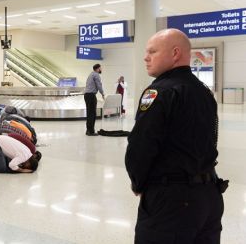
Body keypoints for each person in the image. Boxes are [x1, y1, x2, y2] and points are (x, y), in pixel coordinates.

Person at [125, 29, 227, 244]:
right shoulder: (204, 91)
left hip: (171, 201)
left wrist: (138, 183)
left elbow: (141, 145)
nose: (145, 57)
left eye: (152, 51)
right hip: (209, 196)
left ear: (175, 53)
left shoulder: (160, 92)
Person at [83, 64, 105, 136]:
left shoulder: (91, 74)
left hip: (87, 95)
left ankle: (88, 130)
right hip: (91, 95)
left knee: (89, 113)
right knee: (92, 113)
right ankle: (91, 131)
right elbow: (99, 85)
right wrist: (103, 94)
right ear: (98, 69)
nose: (101, 69)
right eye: (100, 68)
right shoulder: (96, 75)